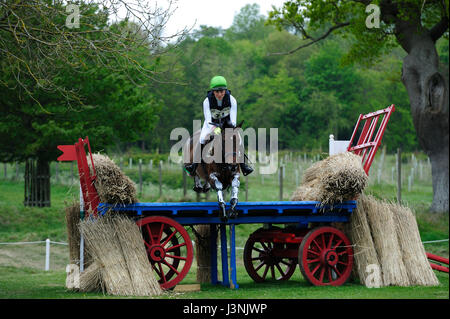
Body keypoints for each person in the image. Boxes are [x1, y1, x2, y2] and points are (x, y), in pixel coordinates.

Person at [184, 75, 254, 176]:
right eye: (217, 92)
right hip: (211, 125)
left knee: (238, 138)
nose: (220, 94)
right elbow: (208, 120)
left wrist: (227, 131)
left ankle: (244, 166)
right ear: (213, 91)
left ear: (225, 91)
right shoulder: (207, 101)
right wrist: (216, 130)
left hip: (228, 125)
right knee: (202, 138)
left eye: (222, 91)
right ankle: (193, 166)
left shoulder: (232, 100)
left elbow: (233, 121)